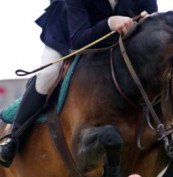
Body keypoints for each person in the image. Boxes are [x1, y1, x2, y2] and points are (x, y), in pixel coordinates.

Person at [0, 0, 158, 167]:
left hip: (115, 42)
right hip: (69, 36)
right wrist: (110, 23)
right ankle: (13, 139)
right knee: (48, 74)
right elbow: (79, 42)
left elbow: (151, 19)